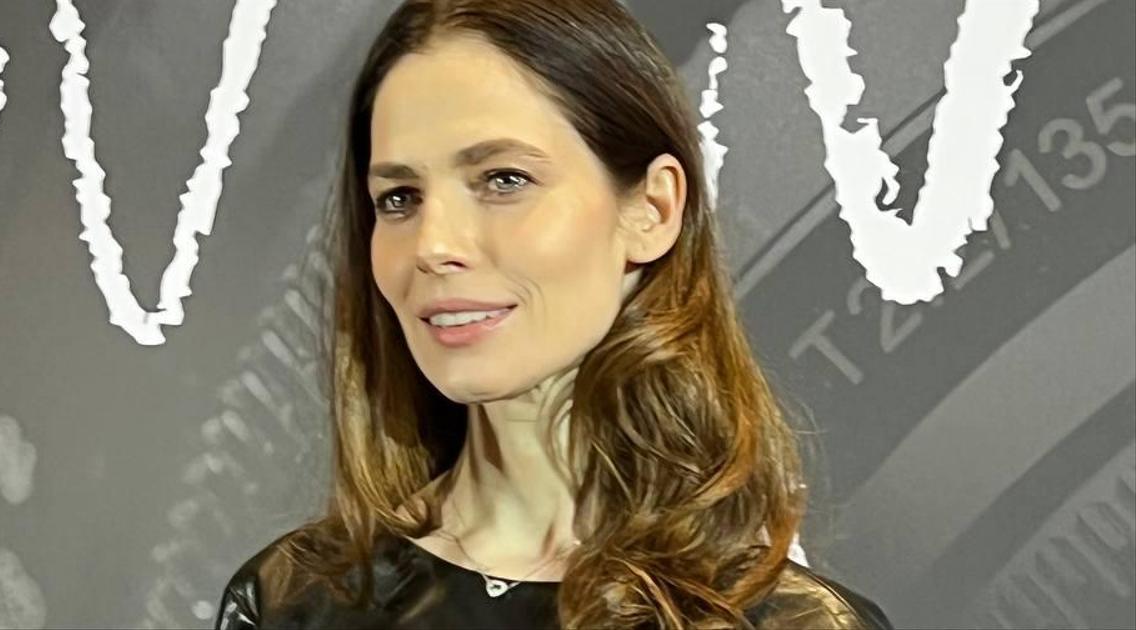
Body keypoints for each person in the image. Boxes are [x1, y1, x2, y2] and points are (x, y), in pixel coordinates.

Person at [214, 0, 893, 628]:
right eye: (399, 198)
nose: (433, 245)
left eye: (503, 180)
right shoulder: (292, 601)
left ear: (652, 210)